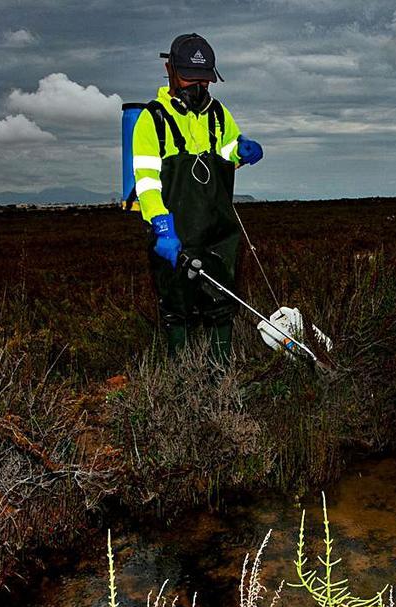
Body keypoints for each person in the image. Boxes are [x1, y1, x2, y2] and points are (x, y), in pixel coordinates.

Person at [131, 33, 263, 361]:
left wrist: (242, 150)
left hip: (218, 231)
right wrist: (161, 226)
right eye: (191, 78)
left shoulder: (218, 114)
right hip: (174, 232)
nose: (199, 87)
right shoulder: (153, 120)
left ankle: (221, 379)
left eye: (206, 80)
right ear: (171, 71)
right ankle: (181, 386)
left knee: (222, 304)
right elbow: (146, 181)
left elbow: (227, 149)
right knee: (178, 309)